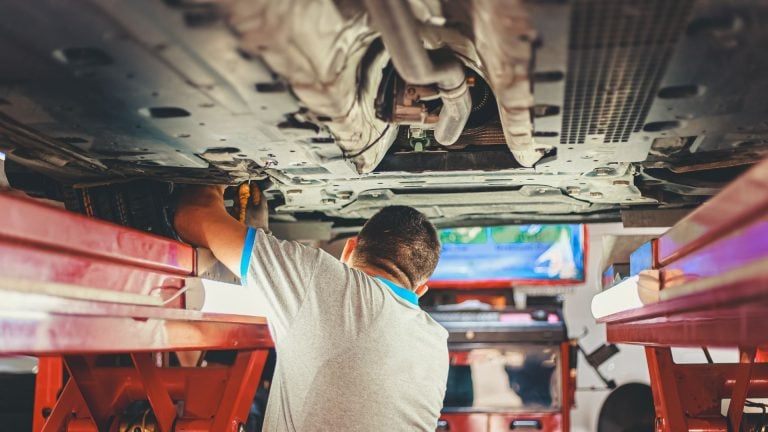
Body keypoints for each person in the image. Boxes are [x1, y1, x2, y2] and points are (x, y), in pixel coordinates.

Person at [174, 185, 449, 431]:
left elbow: (193, 215)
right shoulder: (436, 344)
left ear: (348, 249)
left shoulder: (326, 283)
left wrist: (220, 176)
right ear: (419, 290)